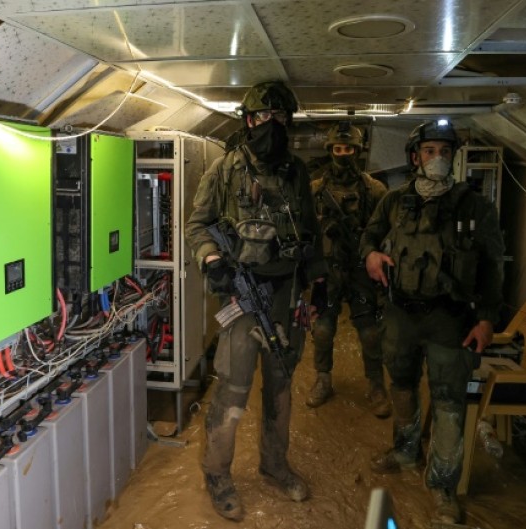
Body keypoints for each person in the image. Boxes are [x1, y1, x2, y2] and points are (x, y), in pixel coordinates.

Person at [185, 81, 326, 521]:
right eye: (265, 117)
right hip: (244, 297)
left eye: (281, 119)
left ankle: (275, 464)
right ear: (248, 121)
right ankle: (217, 473)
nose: (273, 126)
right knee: (233, 387)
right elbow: (197, 225)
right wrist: (210, 259)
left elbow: (310, 231)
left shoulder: (296, 173)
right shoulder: (226, 170)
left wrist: (318, 283)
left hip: (286, 295)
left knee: (281, 386)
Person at [359, 120, 504, 524]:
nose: (437, 158)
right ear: (415, 156)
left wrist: (488, 319)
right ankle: (406, 450)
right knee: (401, 386)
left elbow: (493, 267)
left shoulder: (476, 207)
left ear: (453, 156)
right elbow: (368, 239)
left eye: (444, 151)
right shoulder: (393, 201)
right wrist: (371, 255)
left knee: (448, 402)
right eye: (429, 151)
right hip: (401, 315)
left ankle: (442, 485)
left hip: (450, 318)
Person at [306, 122, 390, 418]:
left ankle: (376, 385)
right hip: (327, 271)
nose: (343, 155)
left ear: (358, 151)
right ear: (330, 151)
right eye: (338, 149)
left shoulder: (374, 189)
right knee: (323, 329)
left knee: (369, 332)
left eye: (349, 149)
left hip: (360, 271)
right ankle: (323, 379)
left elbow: (386, 234)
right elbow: (306, 234)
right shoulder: (316, 190)